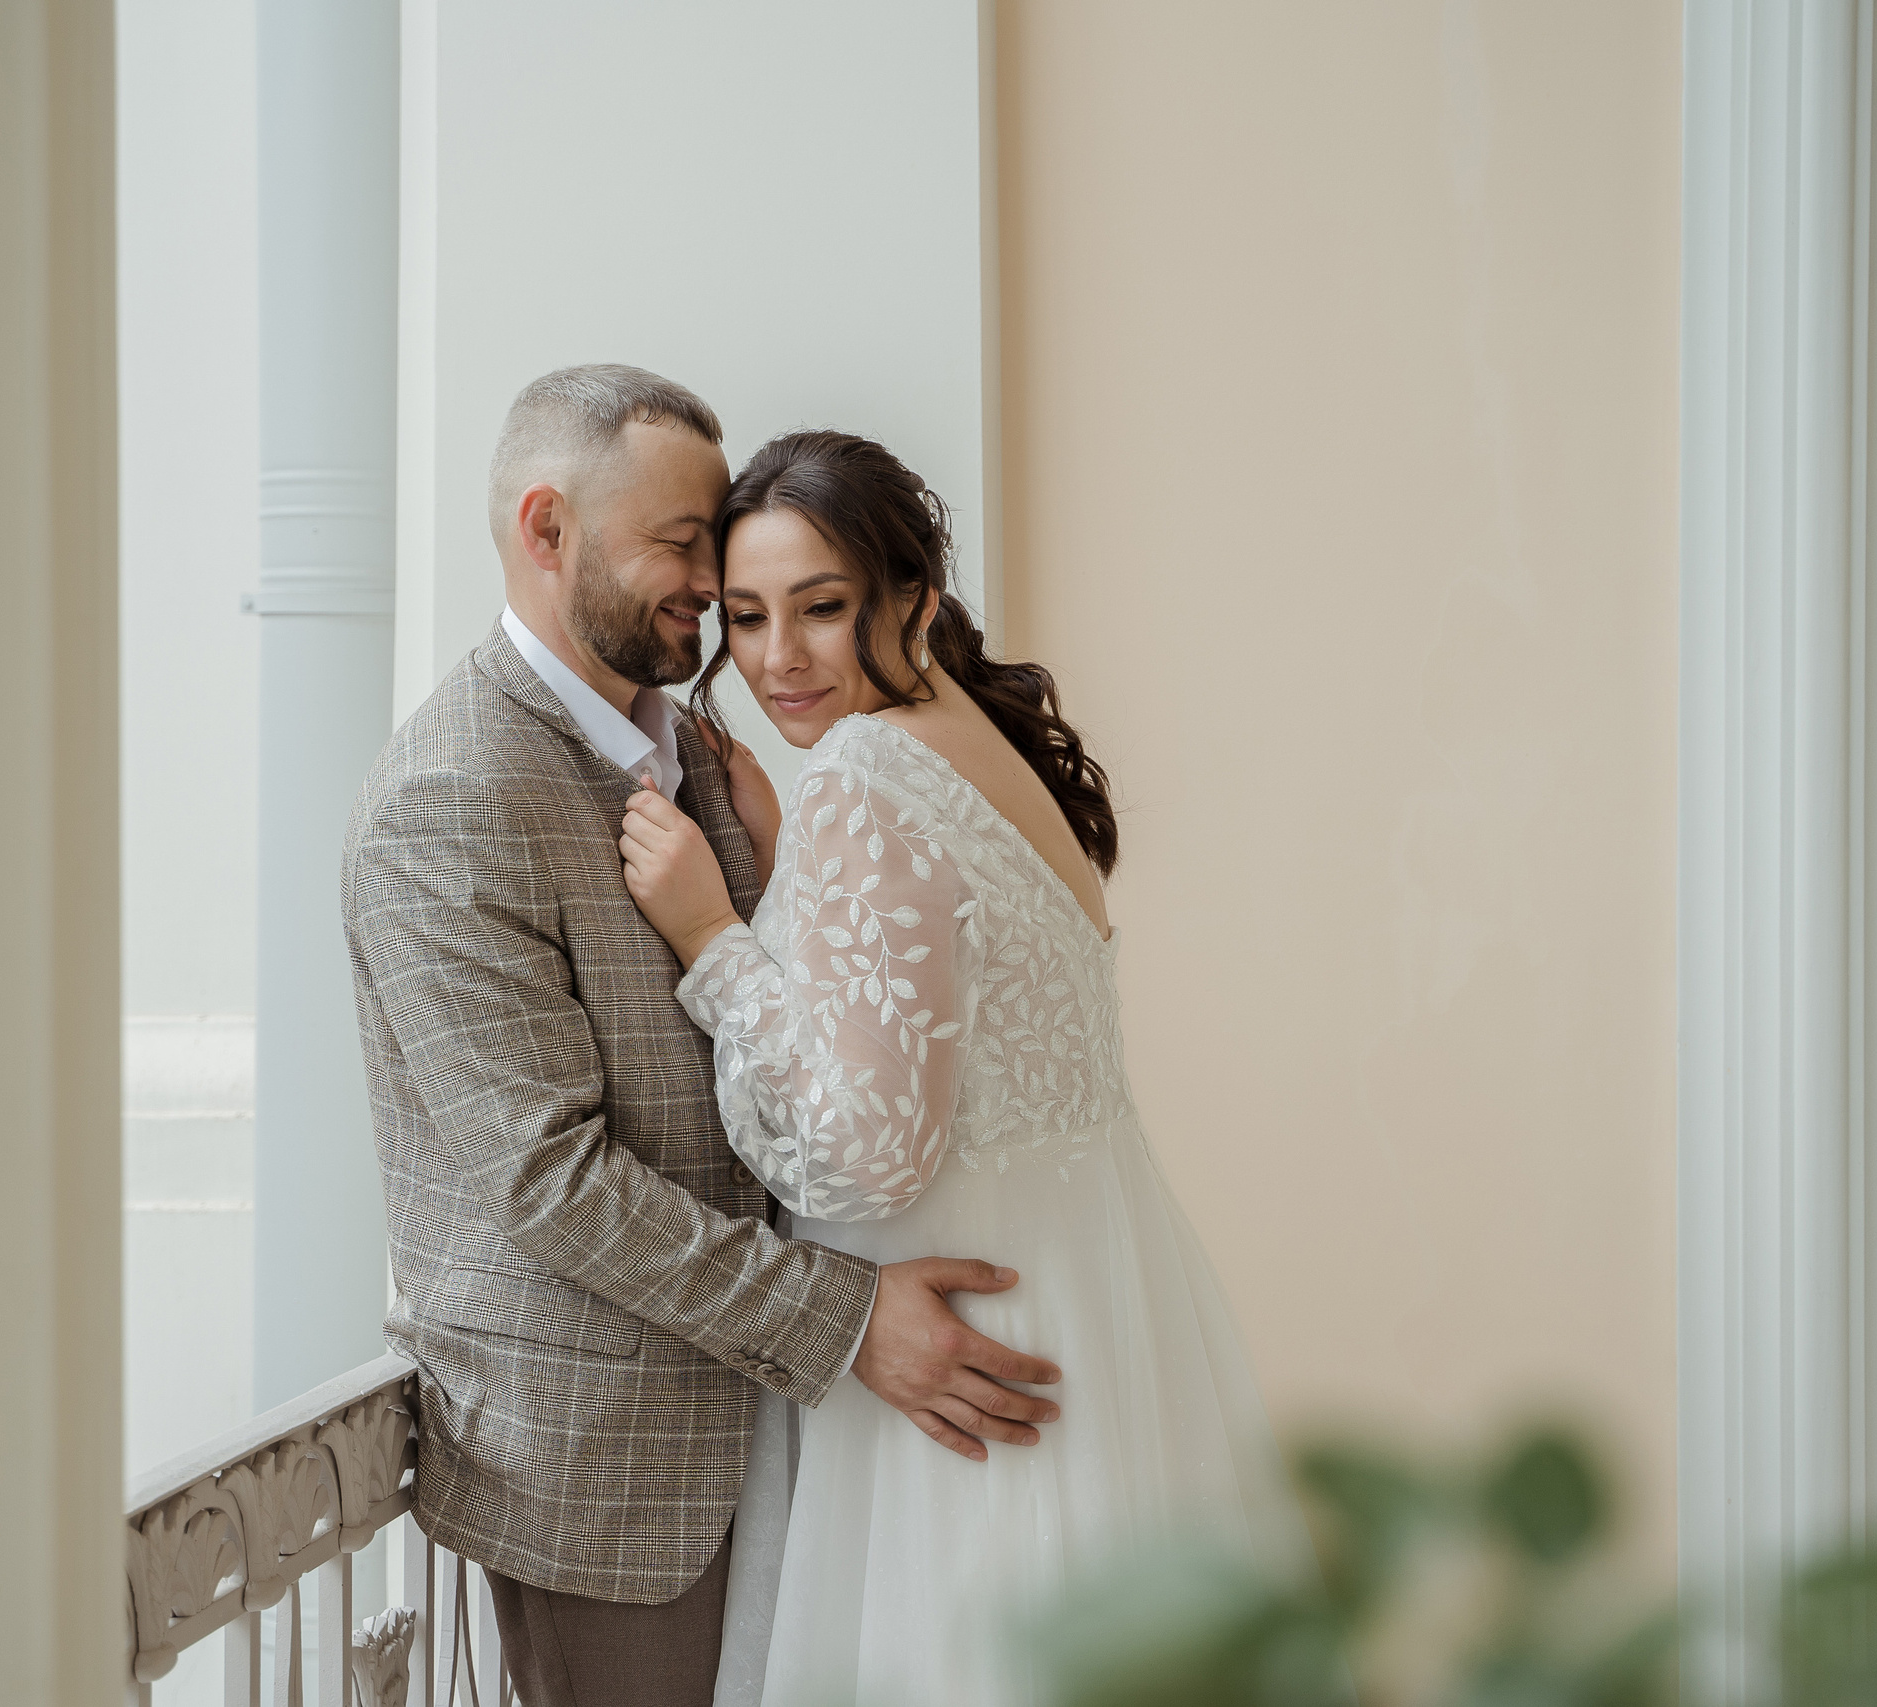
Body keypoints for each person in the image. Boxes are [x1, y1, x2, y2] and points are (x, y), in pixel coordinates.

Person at [340, 369, 1063, 1707]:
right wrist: (846, 1321)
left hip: (795, 1433)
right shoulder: (449, 794)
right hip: (615, 1480)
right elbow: (548, 1182)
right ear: (547, 528)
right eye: (683, 541)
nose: (712, 573)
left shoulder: (713, 746)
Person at [618, 430, 1309, 1706]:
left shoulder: (866, 780)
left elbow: (866, 1153)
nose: (776, 659)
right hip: (1090, 1296)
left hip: (953, 1347)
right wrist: (789, 880)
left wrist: (713, 937)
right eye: (748, 616)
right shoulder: (977, 744)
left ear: (913, 600)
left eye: (823, 609)